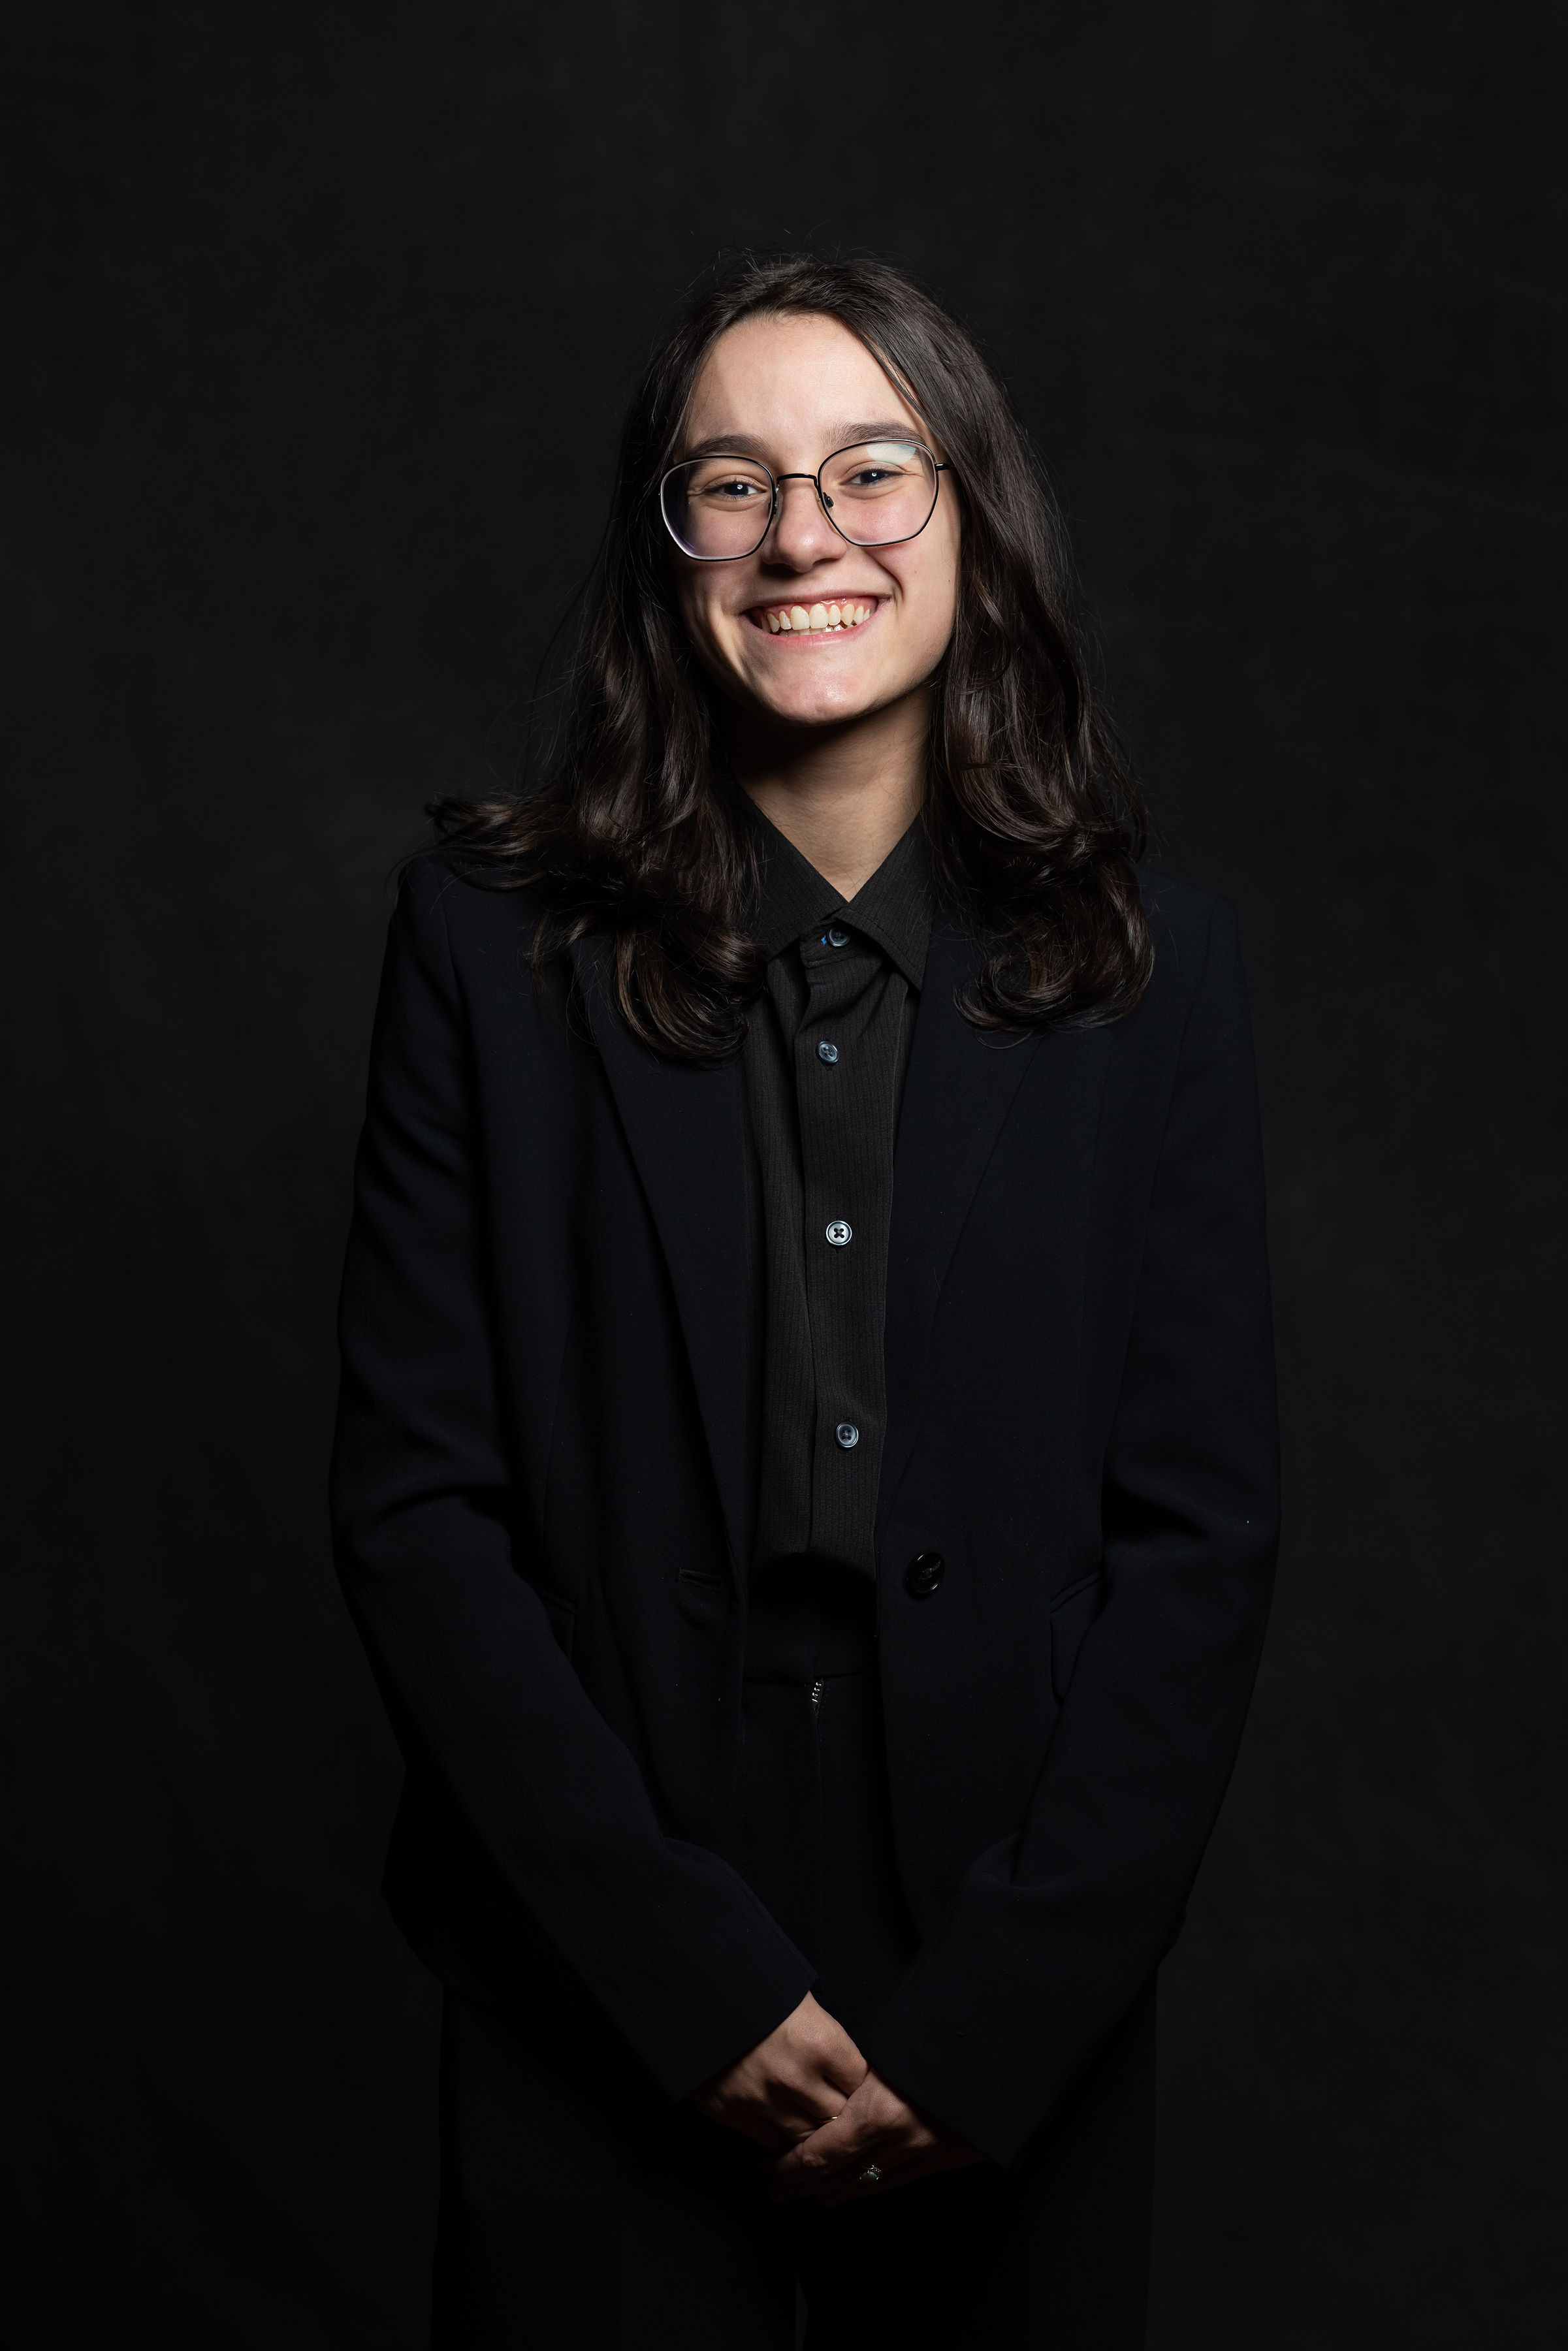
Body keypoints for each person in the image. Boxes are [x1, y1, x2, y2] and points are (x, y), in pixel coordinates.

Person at [330, 253, 1279, 2350]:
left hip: (1007, 1959)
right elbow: (416, 1512)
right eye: (729, 485)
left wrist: (1003, 2019)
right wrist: (680, 1982)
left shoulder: (1154, 979)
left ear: (968, 518)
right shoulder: (483, 956)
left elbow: (1197, 1544)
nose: (801, 537)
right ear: (667, 553)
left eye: (868, 469)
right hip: (602, 1924)